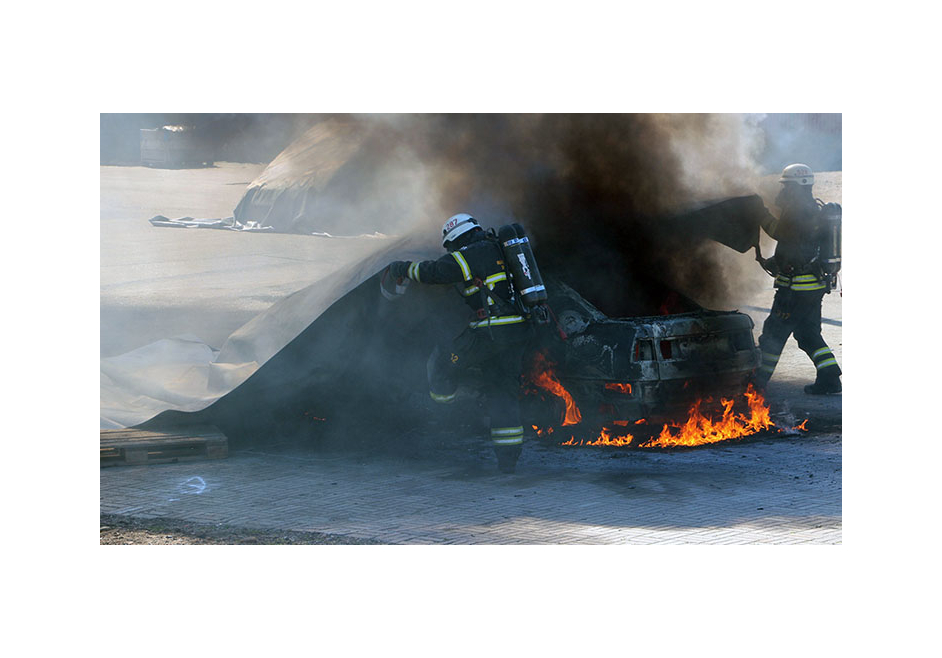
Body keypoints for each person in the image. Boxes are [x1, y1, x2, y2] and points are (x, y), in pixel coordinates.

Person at [387, 213, 534, 473]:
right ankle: (508, 462)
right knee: (503, 394)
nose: (451, 251)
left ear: (456, 238)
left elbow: (436, 272)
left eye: (450, 246)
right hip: (516, 331)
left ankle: (446, 412)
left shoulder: (473, 251)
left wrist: (402, 268)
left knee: (443, 361)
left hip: (491, 332)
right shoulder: (498, 249)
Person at [754, 163, 841, 395]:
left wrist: (761, 214)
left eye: (786, 186)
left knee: (773, 335)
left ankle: (756, 384)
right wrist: (777, 260)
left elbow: (778, 232)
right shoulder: (814, 209)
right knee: (807, 334)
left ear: (794, 187)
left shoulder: (795, 211)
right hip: (814, 288)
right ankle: (830, 377)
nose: (783, 190)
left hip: (794, 291)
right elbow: (798, 245)